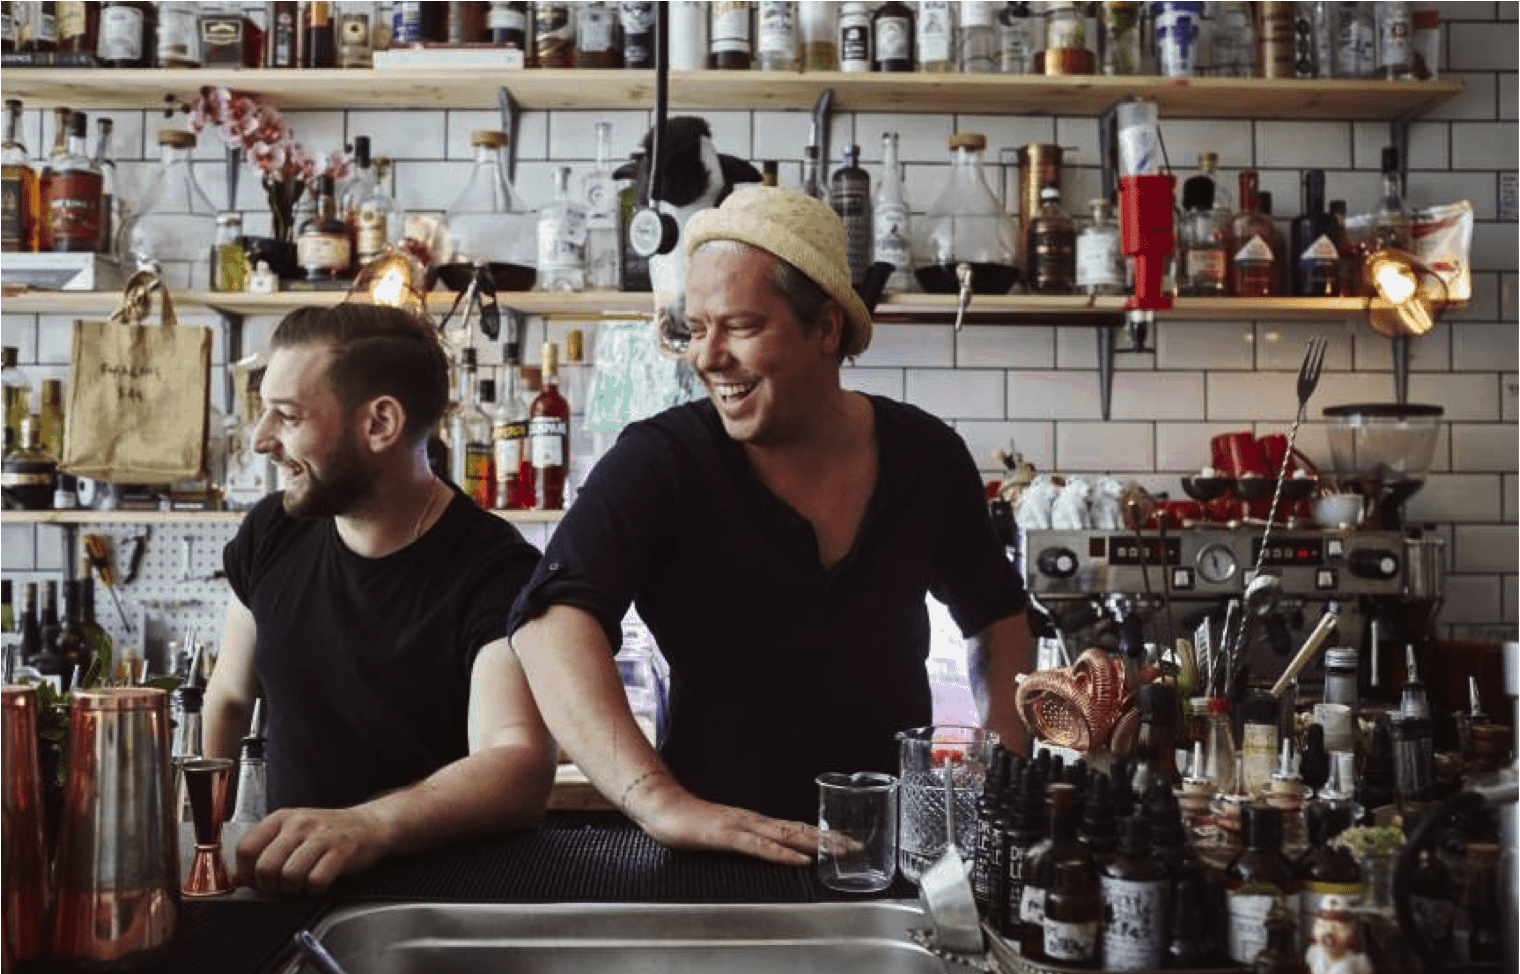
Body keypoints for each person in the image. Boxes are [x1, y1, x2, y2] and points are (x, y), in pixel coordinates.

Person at [509, 186, 1032, 866]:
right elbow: (551, 625)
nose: (708, 356)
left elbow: (997, 618)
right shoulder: (662, 460)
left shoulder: (926, 456)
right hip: (714, 856)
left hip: (884, 860)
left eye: (742, 326)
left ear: (826, 329)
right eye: (695, 330)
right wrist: (658, 800)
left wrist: (995, 764)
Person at [204, 303, 556, 895]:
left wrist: (369, 824)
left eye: (287, 416)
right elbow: (230, 700)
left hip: (437, 908)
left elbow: (517, 761)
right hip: (289, 896)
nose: (263, 439)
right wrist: (200, 843)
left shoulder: (494, 568)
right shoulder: (273, 531)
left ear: (380, 424)